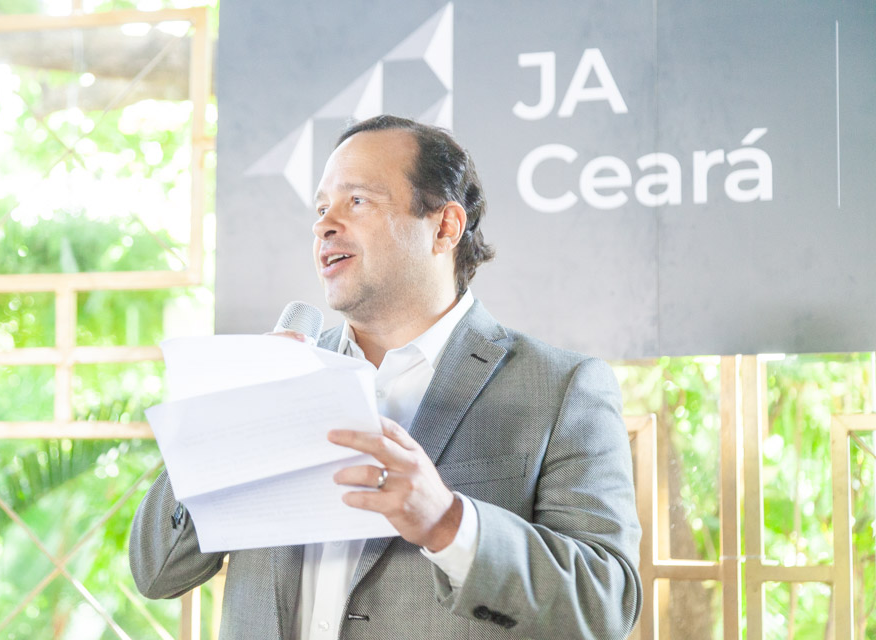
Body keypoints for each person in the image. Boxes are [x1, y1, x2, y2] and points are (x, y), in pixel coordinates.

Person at [129, 115, 642, 639]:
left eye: (357, 201)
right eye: (321, 208)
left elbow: (605, 606)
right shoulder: (276, 381)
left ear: (445, 227)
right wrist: (225, 426)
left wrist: (449, 523)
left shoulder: (563, 389)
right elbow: (156, 572)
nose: (325, 225)